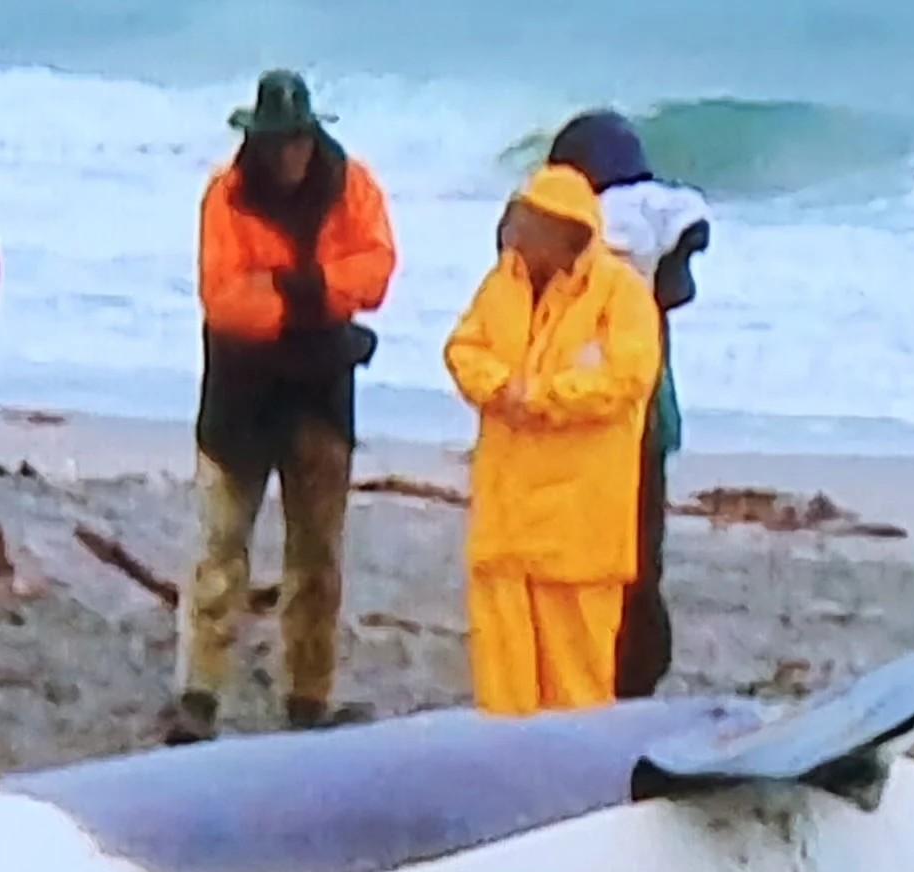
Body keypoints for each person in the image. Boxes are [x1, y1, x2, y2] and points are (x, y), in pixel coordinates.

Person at [169, 70, 398, 744]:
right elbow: (225, 299)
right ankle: (200, 694)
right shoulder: (226, 193)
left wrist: (287, 291)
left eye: (297, 139)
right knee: (220, 547)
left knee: (318, 555)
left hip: (319, 397)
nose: (289, 154)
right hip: (244, 390)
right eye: (277, 141)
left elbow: (378, 271)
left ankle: (308, 696)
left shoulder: (353, 185)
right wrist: (320, 305)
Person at [442, 167, 660, 718]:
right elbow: (463, 349)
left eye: (529, 226)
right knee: (503, 689)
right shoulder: (503, 284)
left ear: (568, 233)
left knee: (577, 687)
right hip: (507, 522)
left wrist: (540, 397)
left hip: (578, 532)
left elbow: (627, 378)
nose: (515, 236)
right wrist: (498, 388)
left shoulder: (621, 293)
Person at [544, 109, 710, 700]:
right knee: (637, 559)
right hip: (634, 422)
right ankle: (625, 682)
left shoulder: (577, 240)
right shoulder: (652, 233)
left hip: (605, 424)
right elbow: (682, 280)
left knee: (604, 563)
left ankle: (607, 677)